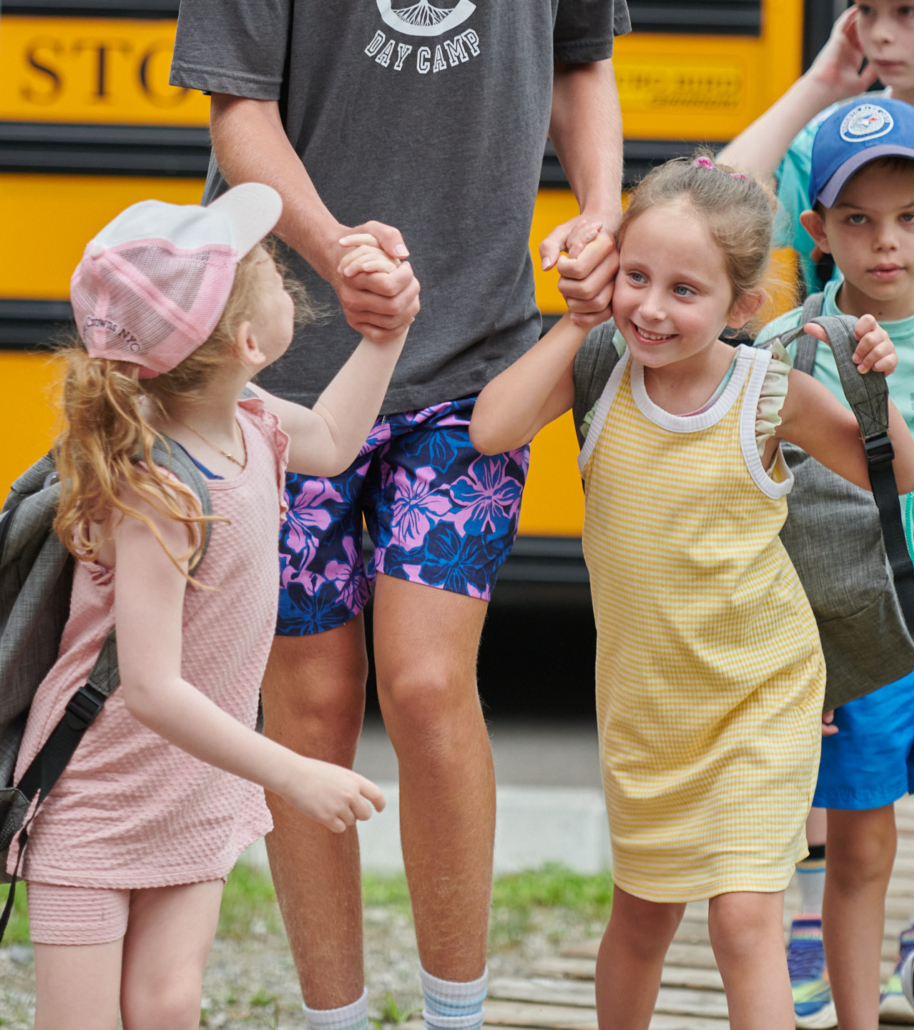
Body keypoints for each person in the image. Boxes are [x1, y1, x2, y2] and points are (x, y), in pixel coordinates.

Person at [169, 5, 629, 1029]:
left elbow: (580, 62)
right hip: (280, 358)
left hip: (475, 362)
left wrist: (600, 211)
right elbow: (239, 111)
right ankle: (333, 1017)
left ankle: (454, 1017)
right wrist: (337, 251)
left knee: (426, 686)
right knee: (312, 702)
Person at [469, 155, 914, 1030]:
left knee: (743, 922)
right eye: (635, 276)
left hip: (761, 698)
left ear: (739, 308)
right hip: (647, 714)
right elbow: (492, 428)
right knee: (642, 920)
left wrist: (874, 394)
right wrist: (577, 319)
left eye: (684, 290)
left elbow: (893, 474)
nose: (649, 307)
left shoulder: (767, 392)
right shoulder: (599, 369)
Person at [9, 184, 408, 1030]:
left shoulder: (248, 421)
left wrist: (387, 334)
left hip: (192, 786)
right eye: (269, 270)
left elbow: (333, 441)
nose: (284, 274)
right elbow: (151, 688)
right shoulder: (158, 490)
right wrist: (291, 772)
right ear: (248, 342)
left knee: (168, 1005)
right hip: (94, 796)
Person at [720, 4, 914, 1023]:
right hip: (857, 635)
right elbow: (751, 506)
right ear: (816, 230)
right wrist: (792, 652)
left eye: (907, 218)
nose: (883, 243)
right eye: (856, 221)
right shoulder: (785, 349)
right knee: (860, 849)